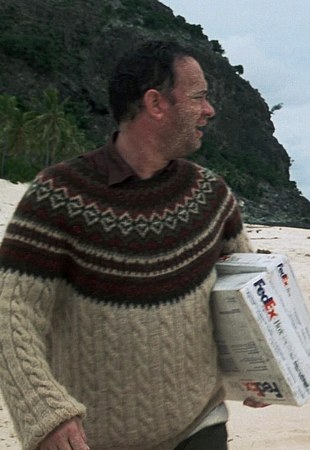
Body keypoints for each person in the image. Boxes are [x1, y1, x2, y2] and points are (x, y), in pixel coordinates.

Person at [0, 40, 268, 450]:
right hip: (89, 440)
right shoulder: (59, 195)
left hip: (199, 426)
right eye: (198, 97)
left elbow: (245, 293)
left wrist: (260, 366)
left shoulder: (211, 195)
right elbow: (11, 312)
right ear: (156, 103)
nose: (209, 110)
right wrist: (43, 410)